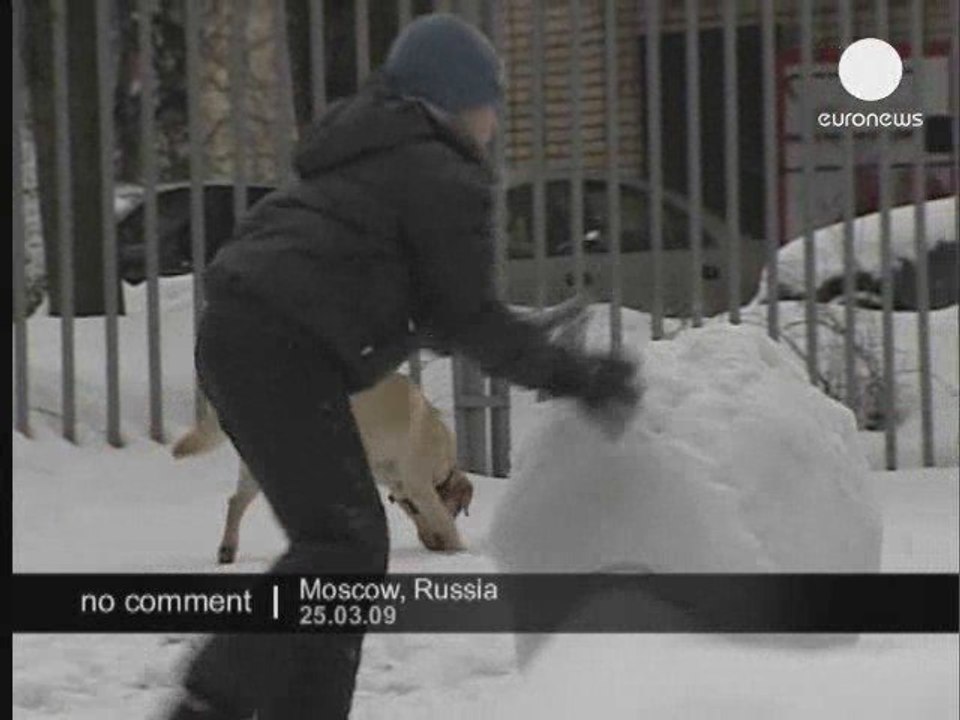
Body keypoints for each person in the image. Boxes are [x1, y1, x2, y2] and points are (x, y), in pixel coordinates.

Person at [165, 13, 639, 720]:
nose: (496, 117)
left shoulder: (371, 149)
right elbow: (467, 315)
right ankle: (210, 697)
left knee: (347, 547)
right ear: (457, 100)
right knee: (343, 545)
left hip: (245, 336)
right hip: (281, 348)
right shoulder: (440, 172)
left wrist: (528, 340)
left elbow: (434, 307)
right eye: (491, 99)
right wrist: (573, 374)